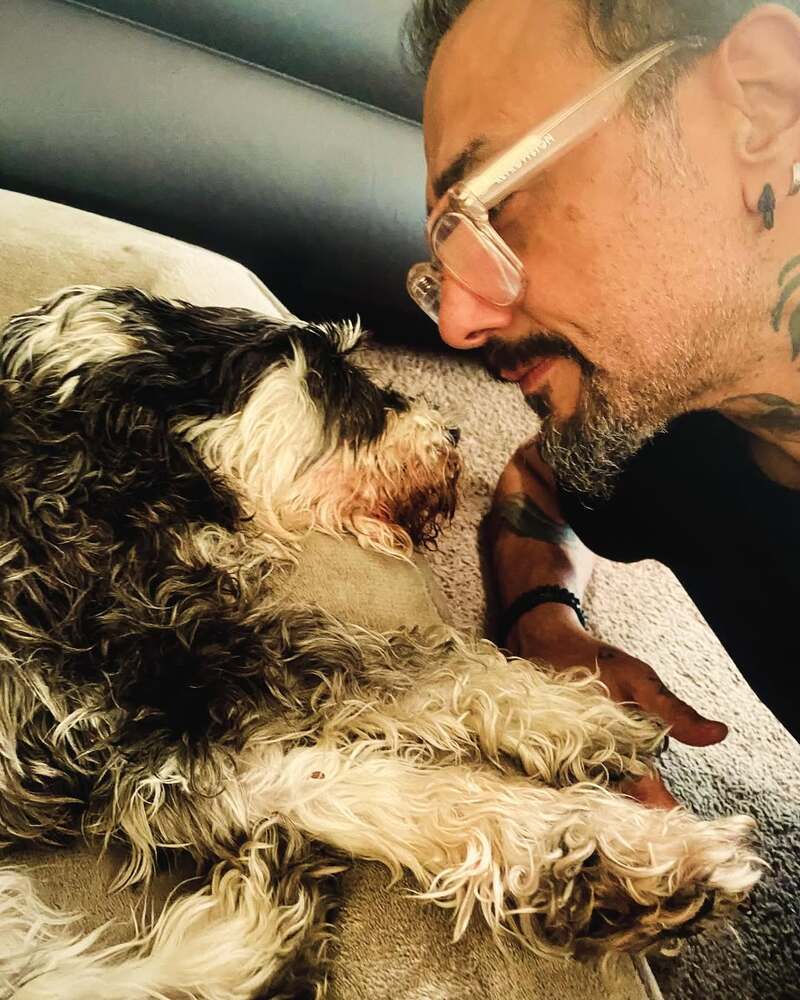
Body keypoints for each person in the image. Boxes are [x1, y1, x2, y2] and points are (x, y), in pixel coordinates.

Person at [402, 0, 800, 804]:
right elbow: (535, 483)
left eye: (494, 206)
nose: (456, 322)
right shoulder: (664, 438)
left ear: (764, 106)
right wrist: (544, 621)